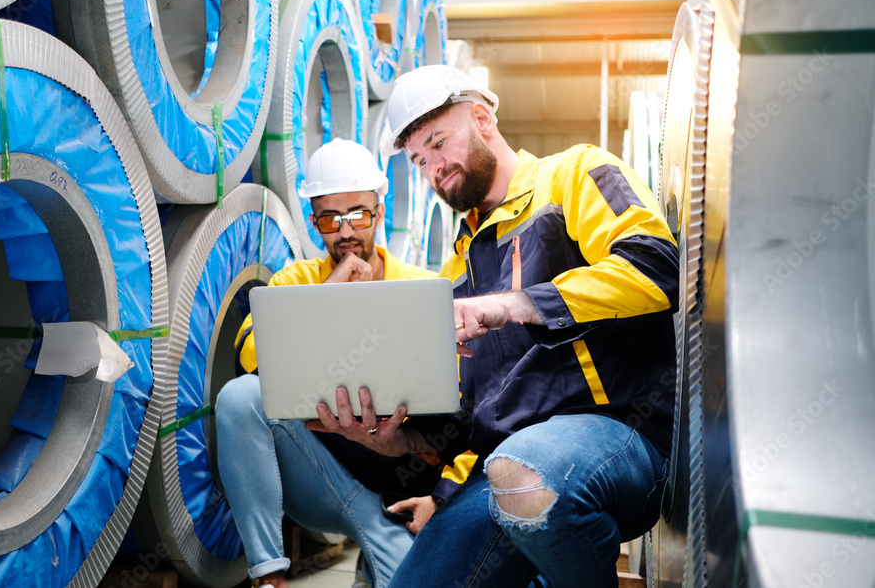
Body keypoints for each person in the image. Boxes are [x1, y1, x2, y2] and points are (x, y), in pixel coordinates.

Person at [306, 65, 679, 587]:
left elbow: (658, 268)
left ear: (482, 118)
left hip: (618, 437)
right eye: (419, 160)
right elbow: (468, 421)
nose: (433, 167)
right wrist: (396, 443)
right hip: (501, 468)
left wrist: (518, 304)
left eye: (438, 143)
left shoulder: (573, 175)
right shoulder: (456, 271)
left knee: (525, 475)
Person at [215, 138, 460, 588]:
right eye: (330, 218)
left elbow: (468, 402)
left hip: (404, 483)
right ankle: (268, 578)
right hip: (324, 476)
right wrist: (329, 292)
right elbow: (251, 355)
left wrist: (444, 498)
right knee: (240, 397)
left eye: (358, 215)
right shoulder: (296, 283)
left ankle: (380, 549)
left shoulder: (423, 289)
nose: (345, 231)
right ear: (314, 223)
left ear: (379, 213)